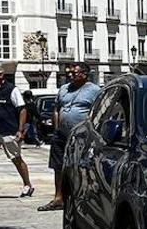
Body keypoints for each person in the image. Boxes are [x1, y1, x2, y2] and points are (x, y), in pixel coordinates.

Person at [38, 63, 101, 212]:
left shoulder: (94, 90)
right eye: (69, 73)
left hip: (82, 136)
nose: (70, 75)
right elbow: (56, 109)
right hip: (61, 135)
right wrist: (56, 129)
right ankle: (58, 197)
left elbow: (98, 111)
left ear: (84, 75)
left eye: (74, 73)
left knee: (82, 166)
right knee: (58, 166)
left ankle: (84, 197)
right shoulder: (64, 89)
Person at [0, 62, 35, 201]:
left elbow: (22, 109)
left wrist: (20, 130)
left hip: (8, 129)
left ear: (0, 75)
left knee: (15, 158)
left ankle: (27, 184)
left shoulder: (11, 89)